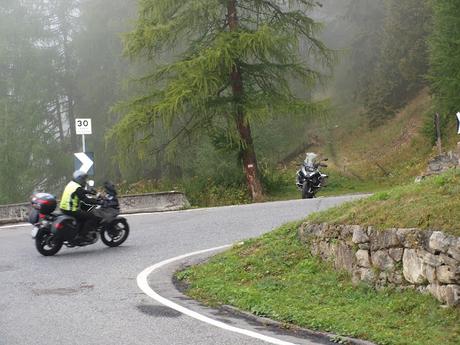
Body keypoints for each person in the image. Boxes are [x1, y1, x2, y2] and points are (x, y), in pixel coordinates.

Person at [59, 170, 100, 239]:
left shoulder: (72, 184)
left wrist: (90, 192)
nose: (85, 181)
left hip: (64, 208)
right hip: (71, 209)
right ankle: (83, 235)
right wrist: (98, 202)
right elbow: (86, 200)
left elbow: (81, 191)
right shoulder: (77, 188)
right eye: (84, 179)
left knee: (83, 214)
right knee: (92, 216)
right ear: (80, 179)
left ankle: (79, 229)